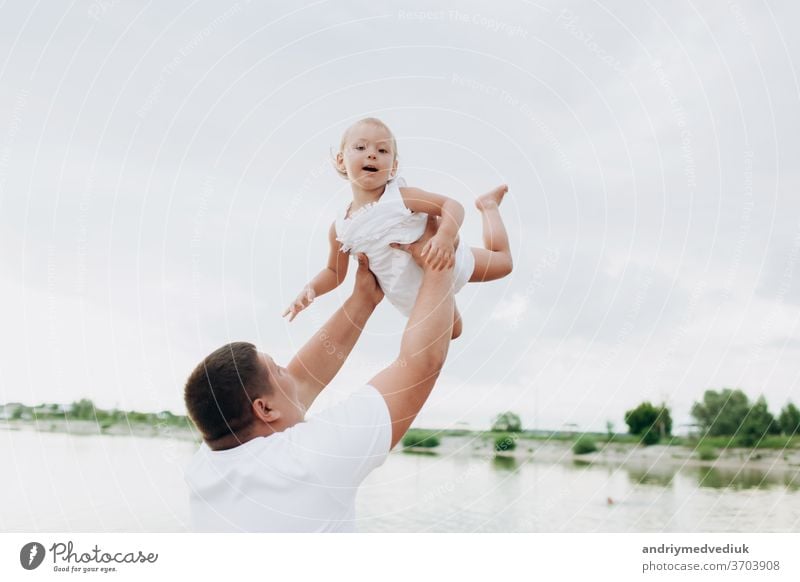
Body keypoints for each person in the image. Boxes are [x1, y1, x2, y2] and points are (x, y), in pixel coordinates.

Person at [183, 219, 455, 532]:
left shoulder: (206, 465)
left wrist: (363, 299)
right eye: (279, 370)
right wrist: (440, 262)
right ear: (264, 409)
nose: (291, 373)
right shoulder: (309, 460)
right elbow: (421, 364)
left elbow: (302, 381)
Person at [282, 117, 513, 338]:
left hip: (442, 255)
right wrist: (311, 289)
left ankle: (488, 206)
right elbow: (334, 272)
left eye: (382, 151)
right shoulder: (341, 228)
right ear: (341, 160)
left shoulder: (399, 197)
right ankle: (442, 289)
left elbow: (451, 205)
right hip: (411, 291)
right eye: (361, 147)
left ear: (393, 167)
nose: (372, 153)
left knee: (503, 263)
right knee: (453, 331)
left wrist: (444, 236)